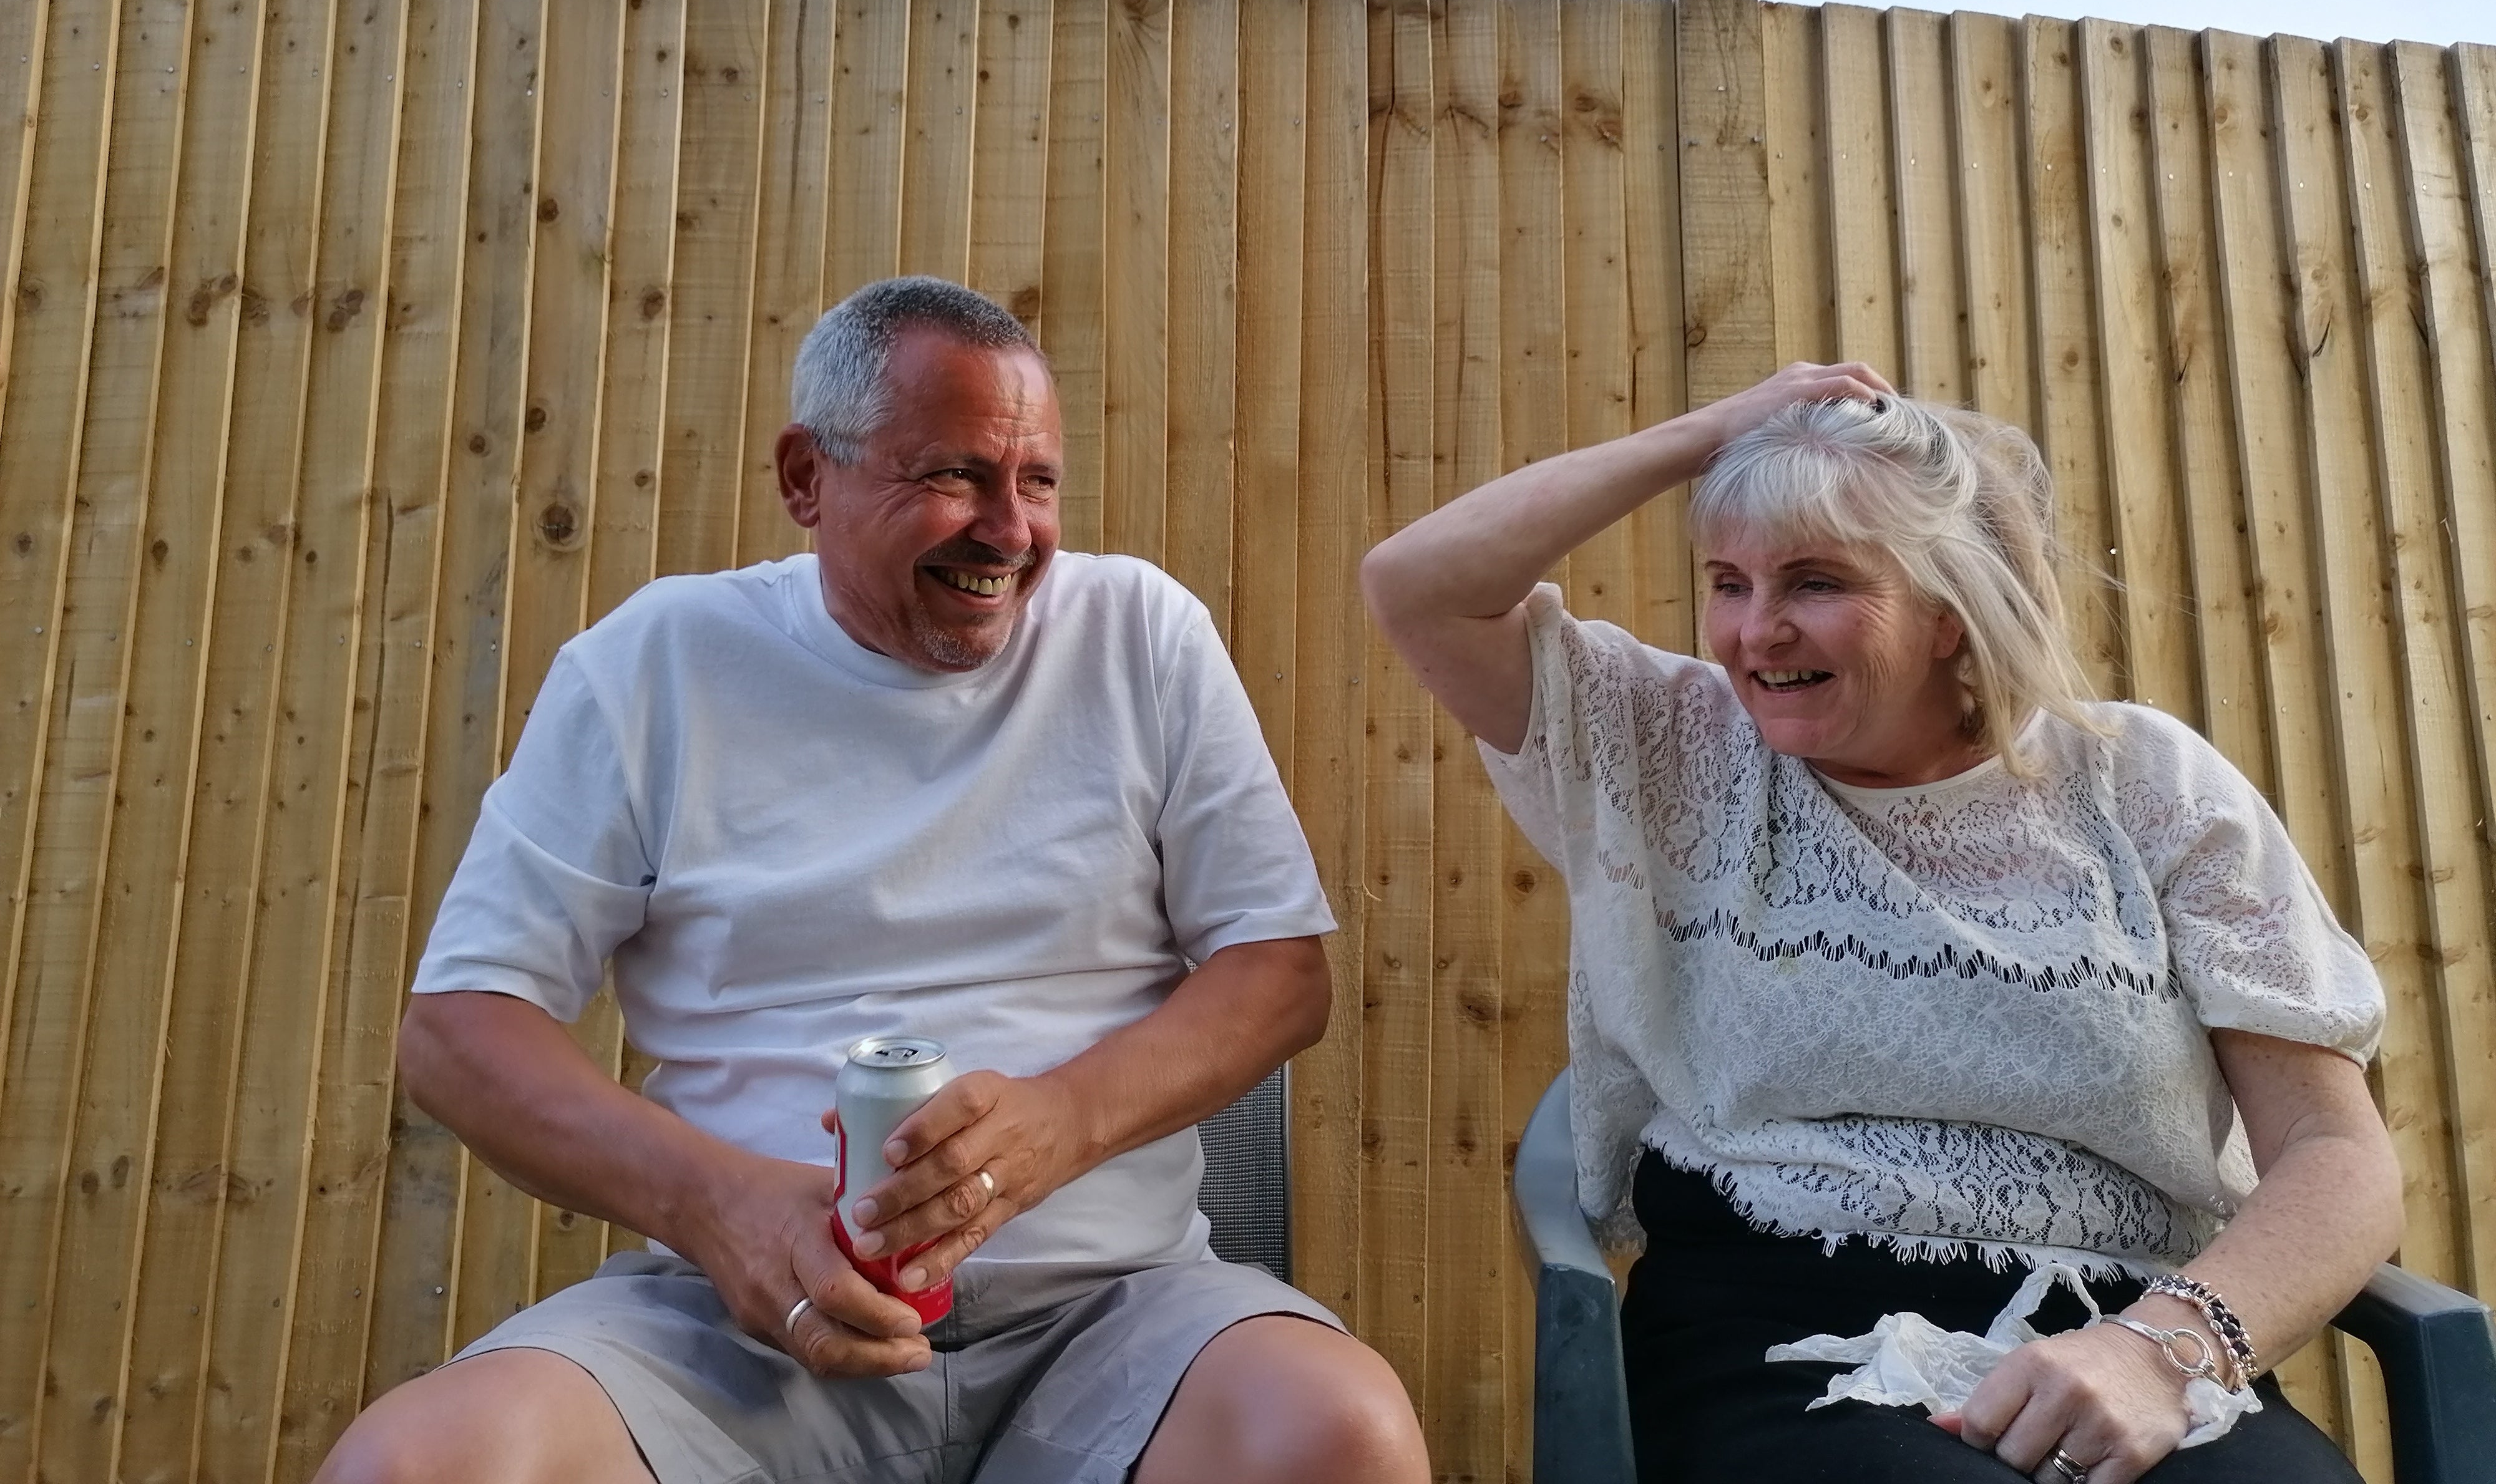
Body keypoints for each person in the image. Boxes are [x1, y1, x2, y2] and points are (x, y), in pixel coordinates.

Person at [318, 276, 1429, 1484]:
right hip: (728, 1337)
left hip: (1113, 1317)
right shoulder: (658, 662)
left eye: (1038, 480)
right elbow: (458, 1031)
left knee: (1337, 1432)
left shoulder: (1141, 637)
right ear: (807, 477)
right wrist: (716, 1206)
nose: (1010, 531)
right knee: (416, 1469)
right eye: (953, 475)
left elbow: (1278, 973)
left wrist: (1061, 1121)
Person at [1361, 361, 2402, 1484]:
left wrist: (2163, 1352)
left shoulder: (2145, 784)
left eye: (1813, 582)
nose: (1756, 631)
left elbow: (2333, 1151)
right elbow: (1417, 583)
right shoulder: (1665, 747)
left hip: (2131, 1326)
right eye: (1727, 582)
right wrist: (1714, 430)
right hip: (1770, 1331)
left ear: (1951, 613)